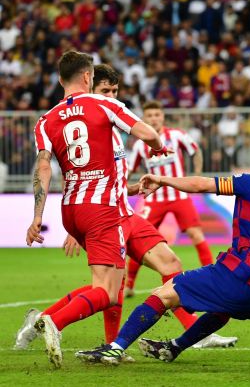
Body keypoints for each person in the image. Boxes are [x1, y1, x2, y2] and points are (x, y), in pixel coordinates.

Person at [15, 65, 236, 354]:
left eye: (114, 91)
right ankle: (63, 328)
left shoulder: (114, 131)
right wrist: (79, 228)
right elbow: (81, 174)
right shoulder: (95, 117)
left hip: (124, 213)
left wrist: (132, 189)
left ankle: (194, 332)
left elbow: (111, 176)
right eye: (105, 90)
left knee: (170, 265)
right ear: (90, 88)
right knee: (109, 291)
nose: (110, 95)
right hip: (104, 214)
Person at [76, 140, 250, 364]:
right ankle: (174, 348)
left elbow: (202, 185)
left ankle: (116, 348)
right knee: (222, 309)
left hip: (238, 277)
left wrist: (163, 179)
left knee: (164, 293)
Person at [25, 51, 167, 368]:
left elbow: (43, 168)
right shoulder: (104, 104)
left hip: (70, 210)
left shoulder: (45, 120)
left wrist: (37, 216)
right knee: (106, 292)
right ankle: (52, 322)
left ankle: (108, 346)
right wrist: (159, 146)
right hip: (102, 209)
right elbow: (149, 134)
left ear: (61, 80)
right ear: (88, 77)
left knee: (110, 285)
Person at [126, 101, 213, 297]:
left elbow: (195, 150)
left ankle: (213, 278)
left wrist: (197, 175)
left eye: (157, 114)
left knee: (196, 234)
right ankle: (129, 285)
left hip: (179, 195)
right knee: (140, 240)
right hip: (154, 197)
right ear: (145, 119)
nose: (154, 118)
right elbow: (128, 170)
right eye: (150, 115)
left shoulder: (176, 135)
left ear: (162, 116)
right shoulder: (141, 145)